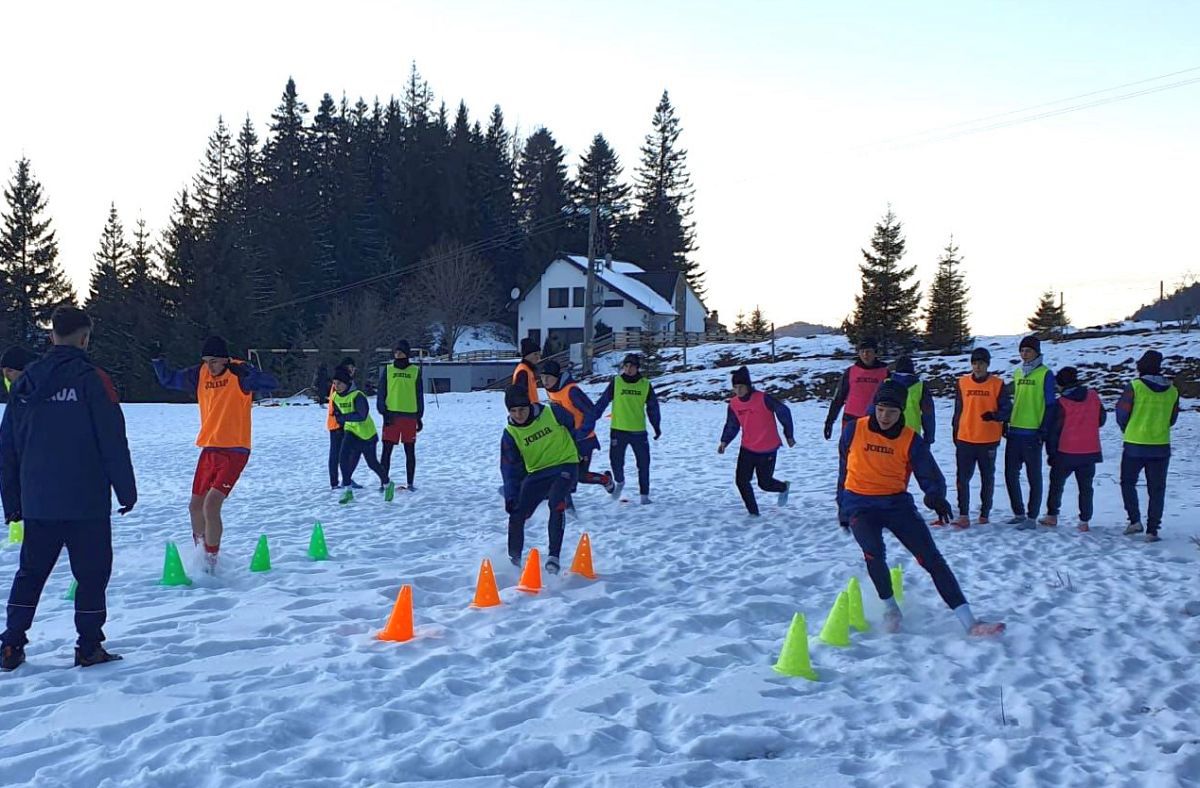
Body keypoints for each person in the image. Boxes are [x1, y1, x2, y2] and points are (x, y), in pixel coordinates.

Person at [0, 307, 137, 671]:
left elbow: (8, 447)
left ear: (52, 337)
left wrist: (12, 501)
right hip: (85, 499)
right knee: (91, 574)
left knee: (30, 573)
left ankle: (11, 642)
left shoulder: (26, 382)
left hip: (38, 499)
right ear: (85, 337)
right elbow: (112, 438)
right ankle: (89, 645)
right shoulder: (93, 379)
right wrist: (126, 490)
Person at [838, 380, 1004, 637]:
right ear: (874, 407)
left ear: (902, 412)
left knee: (932, 559)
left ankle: (971, 623)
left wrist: (935, 496)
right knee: (873, 552)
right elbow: (843, 469)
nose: (885, 416)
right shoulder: (853, 430)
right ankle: (891, 609)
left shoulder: (910, 439)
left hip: (896, 504)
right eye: (881, 409)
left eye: (892, 412)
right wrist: (842, 506)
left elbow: (930, 474)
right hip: (860, 504)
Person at [152, 335, 279, 574]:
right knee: (195, 506)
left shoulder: (239, 373)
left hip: (235, 449)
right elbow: (169, 380)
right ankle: (200, 553)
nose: (209, 366)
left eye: (214, 361)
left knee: (211, 505)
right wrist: (157, 360)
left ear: (225, 359)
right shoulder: (200, 374)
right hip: (210, 448)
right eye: (206, 361)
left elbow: (272, 383)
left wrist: (250, 376)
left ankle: (210, 560)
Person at [500, 384, 580, 574]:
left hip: (565, 464)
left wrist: (579, 450)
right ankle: (514, 559)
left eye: (522, 409)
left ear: (530, 405)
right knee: (517, 512)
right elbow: (509, 469)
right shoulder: (510, 433)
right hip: (537, 473)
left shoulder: (553, 412)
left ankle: (554, 557)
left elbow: (573, 424)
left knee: (556, 502)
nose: (518, 414)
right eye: (513, 411)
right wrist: (512, 496)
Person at [825, 337, 889, 528]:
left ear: (875, 352)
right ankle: (844, 509)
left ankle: (873, 509)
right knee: (846, 466)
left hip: (875, 424)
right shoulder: (851, 372)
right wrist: (830, 420)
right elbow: (838, 398)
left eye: (869, 351)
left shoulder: (885, 372)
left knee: (875, 467)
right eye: (862, 351)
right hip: (851, 423)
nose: (866, 354)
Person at [1115, 350, 1179, 543]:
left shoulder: (1134, 386)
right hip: (1160, 445)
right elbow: (1172, 418)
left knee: (1128, 483)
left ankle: (1135, 520)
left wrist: (1128, 429)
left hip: (1135, 443)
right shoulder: (1172, 390)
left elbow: (1122, 413)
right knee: (1157, 489)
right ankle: (1152, 530)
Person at [717, 366, 795, 516]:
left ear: (748, 386)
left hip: (768, 448)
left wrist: (789, 435)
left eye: (741, 387)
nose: (738, 391)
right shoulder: (733, 404)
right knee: (741, 481)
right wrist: (724, 442)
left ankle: (783, 487)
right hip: (747, 447)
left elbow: (783, 411)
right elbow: (732, 425)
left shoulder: (763, 398)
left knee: (764, 483)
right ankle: (753, 513)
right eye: (735, 387)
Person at [539, 359, 614, 508]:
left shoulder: (572, 391)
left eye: (548, 377)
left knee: (581, 476)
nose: (545, 381)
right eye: (542, 377)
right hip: (567, 440)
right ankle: (566, 508)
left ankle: (606, 480)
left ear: (557, 377)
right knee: (563, 473)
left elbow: (591, 412)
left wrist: (582, 432)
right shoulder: (551, 390)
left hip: (584, 440)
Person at [950, 348, 1011, 527]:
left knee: (987, 477)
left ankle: (984, 513)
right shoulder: (962, 383)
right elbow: (958, 410)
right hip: (965, 438)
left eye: (981, 363)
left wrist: (994, 416)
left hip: (988, 439)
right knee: (962, 478)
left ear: (987, 364)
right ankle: (963, 514)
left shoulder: (997, 384)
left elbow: (1007, 410)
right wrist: (955, 431)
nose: (978, 367)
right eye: (975, 363)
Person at [1041, 367, 1106, 532]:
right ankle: (1084, 521)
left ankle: (1052, 515)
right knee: (1086, 487)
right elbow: (1101, 419)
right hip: (1090, 450)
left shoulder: (1060, 403)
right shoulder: (1093, 396)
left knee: (1056, 484)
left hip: (1066, 451)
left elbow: (1053, 431)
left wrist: (1051, 454)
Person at [594, 353, 662, 505]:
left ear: (637, 368)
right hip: (618, 429)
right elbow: (603, 402)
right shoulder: (616, 382)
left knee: (643, 464)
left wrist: (656, 427)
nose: (628, 369)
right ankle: (620, 481)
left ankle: (644, 495)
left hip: (638, 431)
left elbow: (653, 408)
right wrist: (591, 418)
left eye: (632, 366)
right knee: (616, 462)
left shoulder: (645, 384)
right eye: (626, 366)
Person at [1004, 335, 1056, 529]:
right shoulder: (1018, 373)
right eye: (1022, 350)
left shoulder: (1045, 374)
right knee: (1010, 474)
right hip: (1015, 430)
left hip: (1033, 432)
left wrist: (1044, 429)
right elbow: (1015, 400)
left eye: (1028, 350)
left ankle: (1032, 516)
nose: (1024, 354)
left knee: (1033, 476)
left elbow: (1051, 405)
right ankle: (1018, 512)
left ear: (1037, 352)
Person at [332, 367, 393, 502]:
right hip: (351, 431)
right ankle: (348, 491)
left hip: (367, 434)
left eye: (339, 383)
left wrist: (344, 418)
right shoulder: (335, 396)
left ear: (347, 383)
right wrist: (342, 420)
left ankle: (388, 484)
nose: (336, 387)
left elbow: (361, 416)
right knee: (342, 458)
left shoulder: (358, 395)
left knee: (372, 463)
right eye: (334, 383)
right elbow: (337, 415)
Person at [377, 340, 423, 491]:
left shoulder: (415, 370)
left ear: (407, 353)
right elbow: (382, 391)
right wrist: (382, 410)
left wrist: (419, 416)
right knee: (386, 452)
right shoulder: (388, 369)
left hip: (409, 416)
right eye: (396, 352)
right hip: (391, 416)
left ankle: (410, 483)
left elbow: (419, 394)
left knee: (409, 451)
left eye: (401, 352)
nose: (398, 354)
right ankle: (384, 482)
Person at [886, 356, 935, 440]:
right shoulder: (920, 387)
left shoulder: (886, 384)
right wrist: (929, 437)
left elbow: (873, 409)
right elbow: (928, 414)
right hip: (912, 434)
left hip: (887, 431)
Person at [512, 337, 541, 405]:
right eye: (535, 354)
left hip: (531, 410)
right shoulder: (523, 371)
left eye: (539, 354)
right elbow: (520, 396)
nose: (538, 357)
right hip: (527, 411)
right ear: (527, 355)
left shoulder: (528, 370)